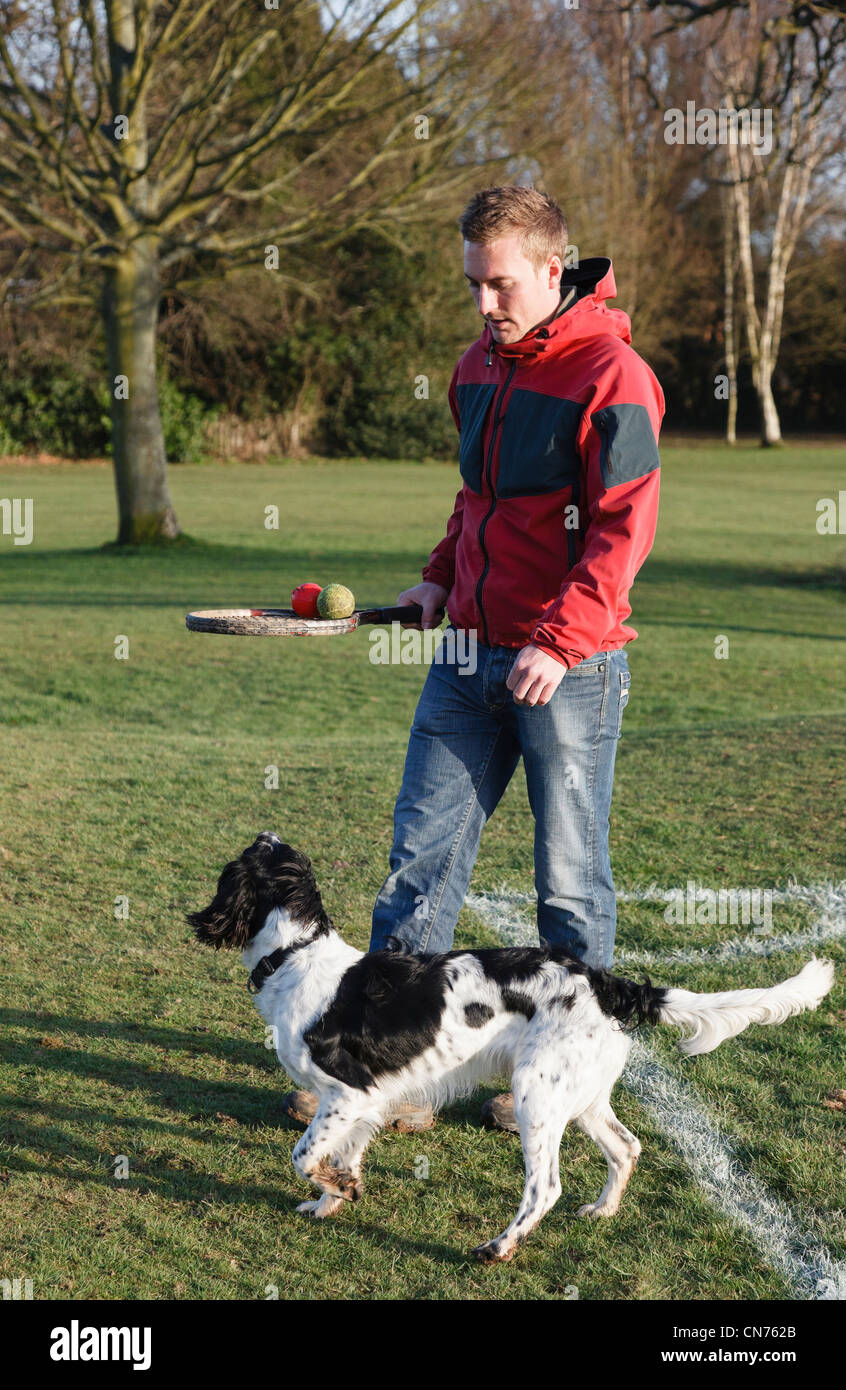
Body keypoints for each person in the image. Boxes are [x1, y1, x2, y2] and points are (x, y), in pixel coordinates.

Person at [283, 185, 664, 1135]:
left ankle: (569, 1073)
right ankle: (391, 1072)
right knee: (419, 865)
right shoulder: (477, 369)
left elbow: (622, 532)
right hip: (465, 655)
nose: (484, 305)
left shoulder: (614, 376)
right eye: (472, 287)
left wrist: (560, 637)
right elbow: (476, 503)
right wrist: (435, 582)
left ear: (551, 268)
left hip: (567, 668)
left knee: (569, 884)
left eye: (499, 285)